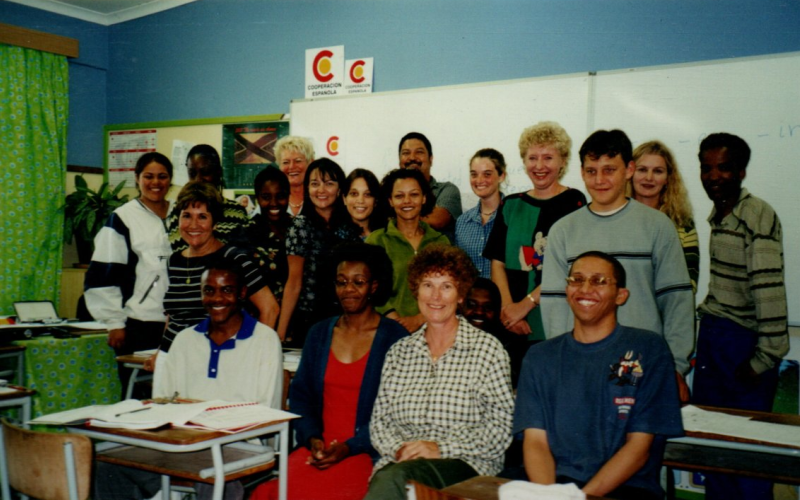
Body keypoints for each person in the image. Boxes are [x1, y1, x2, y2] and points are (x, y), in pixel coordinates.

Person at [94, 260, 283, 500]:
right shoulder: (185, 340)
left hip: (238, 445)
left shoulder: (264, 341)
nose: (217, 299)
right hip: (183, 442)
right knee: (108, 465)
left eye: (226, 290)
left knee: (213, 479)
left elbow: (265, 412)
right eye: (209, 290)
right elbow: (164, 403)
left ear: (242, 293)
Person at [540, 129, 695, 402]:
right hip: (582, 364)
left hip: (644, 363)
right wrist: (564, 362)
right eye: (591, 171)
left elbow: (676, 302)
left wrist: (675, 366)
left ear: (629, 170)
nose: (599, 180)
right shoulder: (563, 230)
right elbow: (555, 305)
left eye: (609, 169)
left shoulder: (658, 226)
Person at [514, 251, 683, 500]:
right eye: (577, 280)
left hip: (625, 488)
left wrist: (583, 498)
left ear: (621, 295)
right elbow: (535, 442)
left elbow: (639, 448)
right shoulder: (540, 356)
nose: (585, 289)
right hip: (553, 486)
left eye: (599, 281)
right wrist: (549, 496)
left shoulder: (647, 349)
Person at [250, 243, 407, 500]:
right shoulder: (320, 333)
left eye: (359, 282)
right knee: (274, 493)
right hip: (317, 449)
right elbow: (301, 395)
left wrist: (350, 447)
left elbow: (397, 412)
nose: (349, 290)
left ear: (374, 286)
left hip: (366, 452)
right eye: (341, 282)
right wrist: (312, 437)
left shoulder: (394, 337)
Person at [365, 245, 514, 500]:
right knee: (395, 480)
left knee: (395, 482)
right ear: (416, 290)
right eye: (427, 285)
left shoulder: (488, 350)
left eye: (446, 286)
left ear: (460, 295)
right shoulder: (399, 352)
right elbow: (380, 422)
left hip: (467, 466)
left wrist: (440, 448)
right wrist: (401, 450)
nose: (435, 296)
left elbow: (502, 428)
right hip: (401, 464)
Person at [693, 133, 789, 500]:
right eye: (706, 168)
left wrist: (762, 361)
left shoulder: (756, 215)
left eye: (724, 168)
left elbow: (769, 292)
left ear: (742, 171)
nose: (713, 176)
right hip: (716, 340)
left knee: (747, 463)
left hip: (742, 348)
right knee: (715, 457)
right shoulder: (721, 213)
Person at [148, 182, 279, 375]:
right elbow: (173, 316)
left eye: (202, 217)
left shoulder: (233, 258)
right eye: (186, 216)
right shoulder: (174, 261)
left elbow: (270, 308)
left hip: (217, 358)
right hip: (173, 359)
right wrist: (161, 352)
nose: (193, 225)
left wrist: (254, 353)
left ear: (215, 222)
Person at [483, 122, 586, 342]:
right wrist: (509, 310)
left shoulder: (574, 202)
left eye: (548, 157)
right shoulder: (510, 205)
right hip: (509, 321)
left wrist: (526, 305)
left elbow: (571, 267)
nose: (539, 166)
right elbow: (497, 262)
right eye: (532, 158)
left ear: (563, 161)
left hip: (555, 322)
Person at [84, 152, 173, 398]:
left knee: (174, 392)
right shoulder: (123, 218)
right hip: (140, 323)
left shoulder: (182, 214)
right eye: (149, 176)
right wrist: (114, 323)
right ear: (137, 179)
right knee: (139, 393)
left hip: (177, 325)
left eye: (162, 177)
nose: (156, 183)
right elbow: (103, 274)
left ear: (170, 180)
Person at [277, 158, 360, 346]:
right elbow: (294, 282)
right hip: (308, 321)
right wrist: (280, 334)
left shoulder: (348, 229)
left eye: (329, 183)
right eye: (315, 184)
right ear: (307, 189)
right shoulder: (300, 226)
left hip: (344, 319)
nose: (321, 190)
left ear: (339, 190)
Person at [366, 169, 450, 333]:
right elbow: (369, 287)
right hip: (385, 329)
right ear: (390, 200)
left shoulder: (441, 242)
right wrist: (395, 320)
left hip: (435, 329)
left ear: (424, 198)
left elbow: (451, 289)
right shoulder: (376, 241)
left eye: (414, 195)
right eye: (399, 196)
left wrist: (419, 319)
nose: (407, 201)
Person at [630, 140, 700, 292]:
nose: (649, 178)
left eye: (658, 171)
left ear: (668, 178)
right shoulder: (616, 218)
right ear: (630, 173)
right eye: (642, 169)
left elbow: (690, 284)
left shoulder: (683, 224)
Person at [165, 144, 252, 252]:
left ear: (218, 172)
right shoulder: (180, 209)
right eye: (192, 173)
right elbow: (182, 253)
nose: (198, 179)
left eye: (205, 172)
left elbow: (240, 254)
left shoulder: (237, 212)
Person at [460, 277, 525, 388]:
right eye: (471, 305)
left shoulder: (510, 348)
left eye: (488, 307)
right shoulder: (446, 341)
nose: (479, 312)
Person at [398, 132, 462, 242]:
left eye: (419, 152)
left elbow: (437, 220)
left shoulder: (446, 190)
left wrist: (397, 218)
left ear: (431, 159)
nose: (412, 158)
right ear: (400, 161)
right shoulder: (389, 191)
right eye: (406, 153)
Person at [455, 148, 506, 279]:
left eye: (487, 174)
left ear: (501, 176)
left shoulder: (513, 217)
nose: (479, 180)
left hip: (505, 298)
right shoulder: (462, 222)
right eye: (474, 174)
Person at [247, 166, 291, 302]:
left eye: (280, 196)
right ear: (257, 198)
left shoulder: (300, 229)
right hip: (260, 317)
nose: (274, 203)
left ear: (289, 195)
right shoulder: (246, 234)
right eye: (266, 197)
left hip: (300, 316)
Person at [274, 135, 314, 217]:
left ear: (310, 162)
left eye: (298, 161)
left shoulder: (319, 197)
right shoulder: (273, 199)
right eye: (286, 162)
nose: (291, 167)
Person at [343, 168, 387, 239]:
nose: (360, 200)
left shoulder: (387, 234)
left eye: (367, 194)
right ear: (344, 199)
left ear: (376, 201)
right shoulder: (334, 238)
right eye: (354, 194)